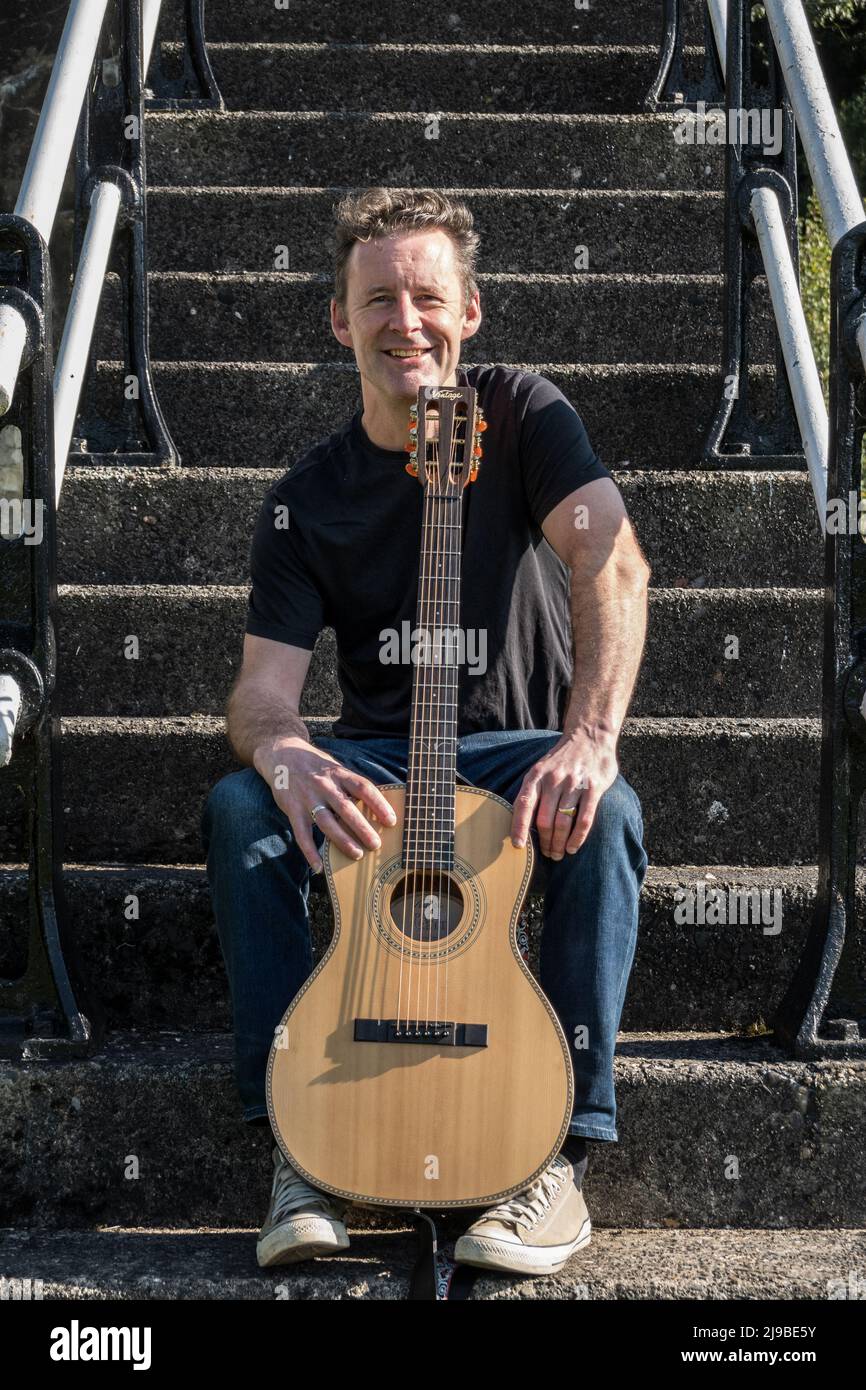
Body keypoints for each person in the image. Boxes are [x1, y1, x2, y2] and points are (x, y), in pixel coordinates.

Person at [201, 187, 650, 1278]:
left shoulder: (525, 413)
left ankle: (561, 1152)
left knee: (608, 812)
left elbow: (612, 562)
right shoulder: (305, 497)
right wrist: (285, 751)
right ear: (337, 319)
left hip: (512, 745)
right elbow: (260, 693)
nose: (405, 319)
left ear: (471, 312)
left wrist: (588, 737)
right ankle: (297, 1153)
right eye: (378, 298)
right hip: (378, 756)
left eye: (427, 296)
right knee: (239, 810)